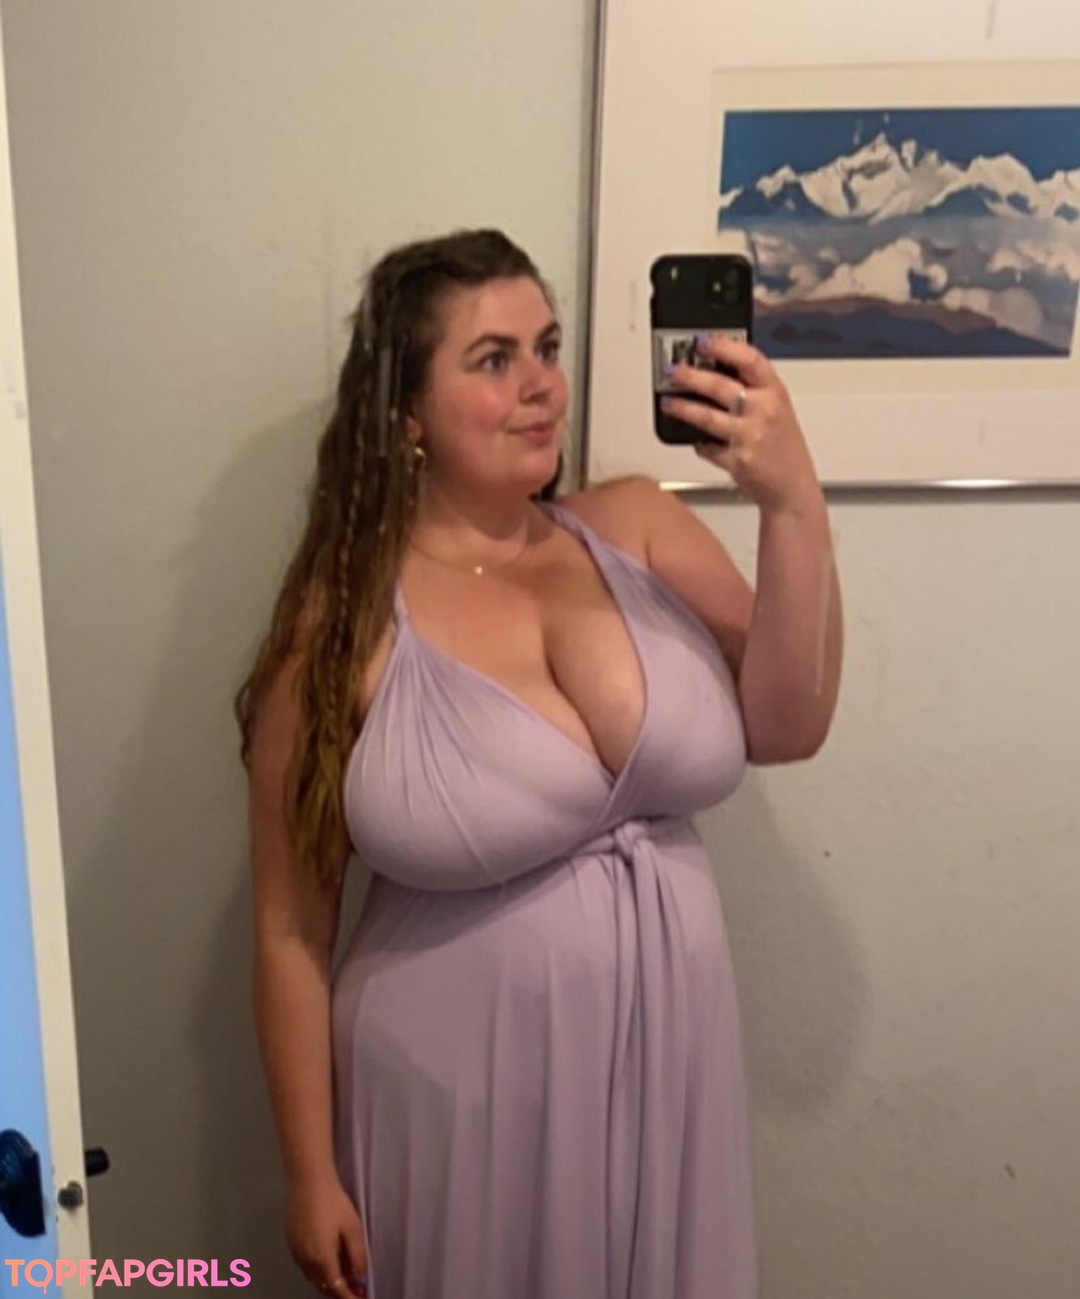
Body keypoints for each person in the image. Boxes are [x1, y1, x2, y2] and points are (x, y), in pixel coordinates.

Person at [236, 228, 842, 1299]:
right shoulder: (340, 629)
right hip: (456, 1093)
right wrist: (309, 1175)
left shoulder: (635, 528)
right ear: (406, 413)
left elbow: (789, 724)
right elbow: (291, 929)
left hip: (669, 1070)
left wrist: (791, 503)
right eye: (494, 358)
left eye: (548, 348)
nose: (540, 386)